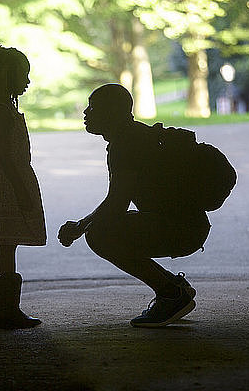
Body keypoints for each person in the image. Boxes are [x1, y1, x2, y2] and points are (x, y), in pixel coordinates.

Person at [58, 83, 211, 328]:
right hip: (190, 225)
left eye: (94, 107)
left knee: (99, 234)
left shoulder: (126, 146)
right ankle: (175, 287)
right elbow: (117, 202)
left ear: (112, 112)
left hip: (182, 229)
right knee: (101, 227)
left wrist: (79, 227)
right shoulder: (136, 135)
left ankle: (171, 294)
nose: (86, 113)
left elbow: (115, 205)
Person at [0, 43, 46, 329]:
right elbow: (4, 156)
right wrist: (21, 190)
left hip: (5, 179)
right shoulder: (3, 109)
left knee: (5, 243)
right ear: (7, 74)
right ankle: (7, 311)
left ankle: (0, 309)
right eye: (23, 75)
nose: (27, 81)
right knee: (7, 244)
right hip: (9, 182)